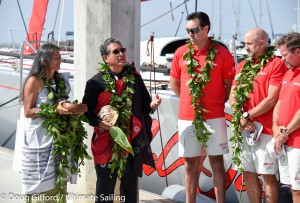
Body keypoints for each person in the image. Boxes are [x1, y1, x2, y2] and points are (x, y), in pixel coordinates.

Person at [82, 37, 161, 203]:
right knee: (105, 190)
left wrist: (153, 105)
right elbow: (86, 112)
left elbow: (146, 106)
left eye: (123, 50)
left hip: (130, 142)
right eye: (116, 52)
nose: (121, 54)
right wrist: (99, 123)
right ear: (105, 58)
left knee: (130, 191)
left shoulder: (135, 78)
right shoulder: (95, 83)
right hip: (105, 142)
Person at [170, 11, 235, 203]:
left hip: (214, 117)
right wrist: (190, 103)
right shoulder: (180, 52)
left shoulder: (222, 53)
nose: (190, 34)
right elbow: (174, 83)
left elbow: (230, 86)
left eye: (194, 30)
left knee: (216, 163)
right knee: (190, 164)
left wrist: (213, 103)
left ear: (206, 29)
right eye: (188, 30)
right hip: (187, 117)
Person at [20, 43, 87, 202]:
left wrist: (71, 108)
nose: (60, 61)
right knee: (41, 186)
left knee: (58, 180)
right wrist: (53, 110)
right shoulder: (34, 81)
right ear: (44, 61)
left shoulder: (60, 80)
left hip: (58, 141)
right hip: (40, 140)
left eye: (60, 57)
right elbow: (28, 111)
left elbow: (63, 105)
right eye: (56, 58)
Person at [229, 28, 287, 203]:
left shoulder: (276, 64)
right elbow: (232, 95)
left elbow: (272, 98)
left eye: (248, 43)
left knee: (268, 176)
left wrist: (247, 115)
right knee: (248, 173)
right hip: (245, 128)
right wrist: (241, 117)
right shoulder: (243, 65)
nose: (245, 47)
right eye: (245, 43)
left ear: (262, 43)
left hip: (266, 131)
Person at [273, 32, 300, 203]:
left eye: (285, 55)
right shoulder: (289, 73)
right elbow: (279, 103)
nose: (282, 59)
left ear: (298, 51)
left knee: (298, 190)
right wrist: (276, 129)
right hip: (285, 140)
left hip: (296, 142)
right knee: (292, 188)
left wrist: (283, 133)